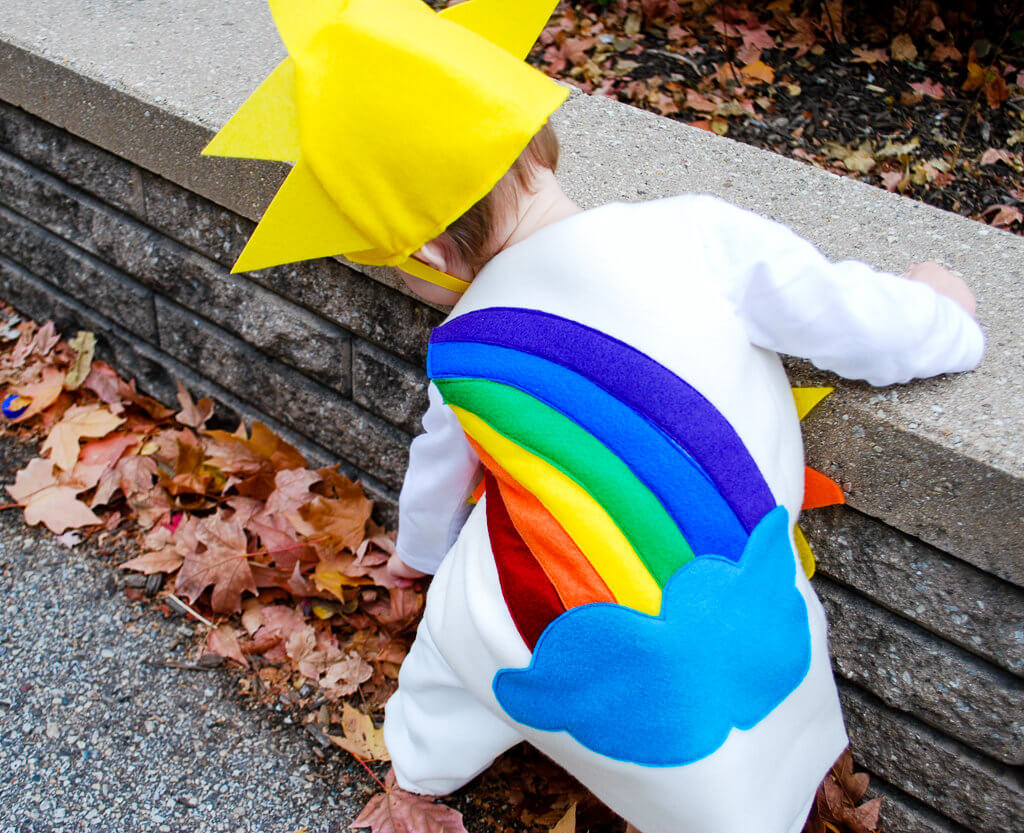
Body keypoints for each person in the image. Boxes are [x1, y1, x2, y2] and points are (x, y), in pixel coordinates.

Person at [203, 2, 984, 831]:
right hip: (742, 616)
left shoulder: (461, 348)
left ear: (428, 255)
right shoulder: (698, 234)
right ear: (531, 132)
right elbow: (848, 318)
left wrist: (418, 556)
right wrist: (943, 311)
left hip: (542, 643)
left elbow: (437, 474)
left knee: (460, 627)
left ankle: (420, 767)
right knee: (750, 691)